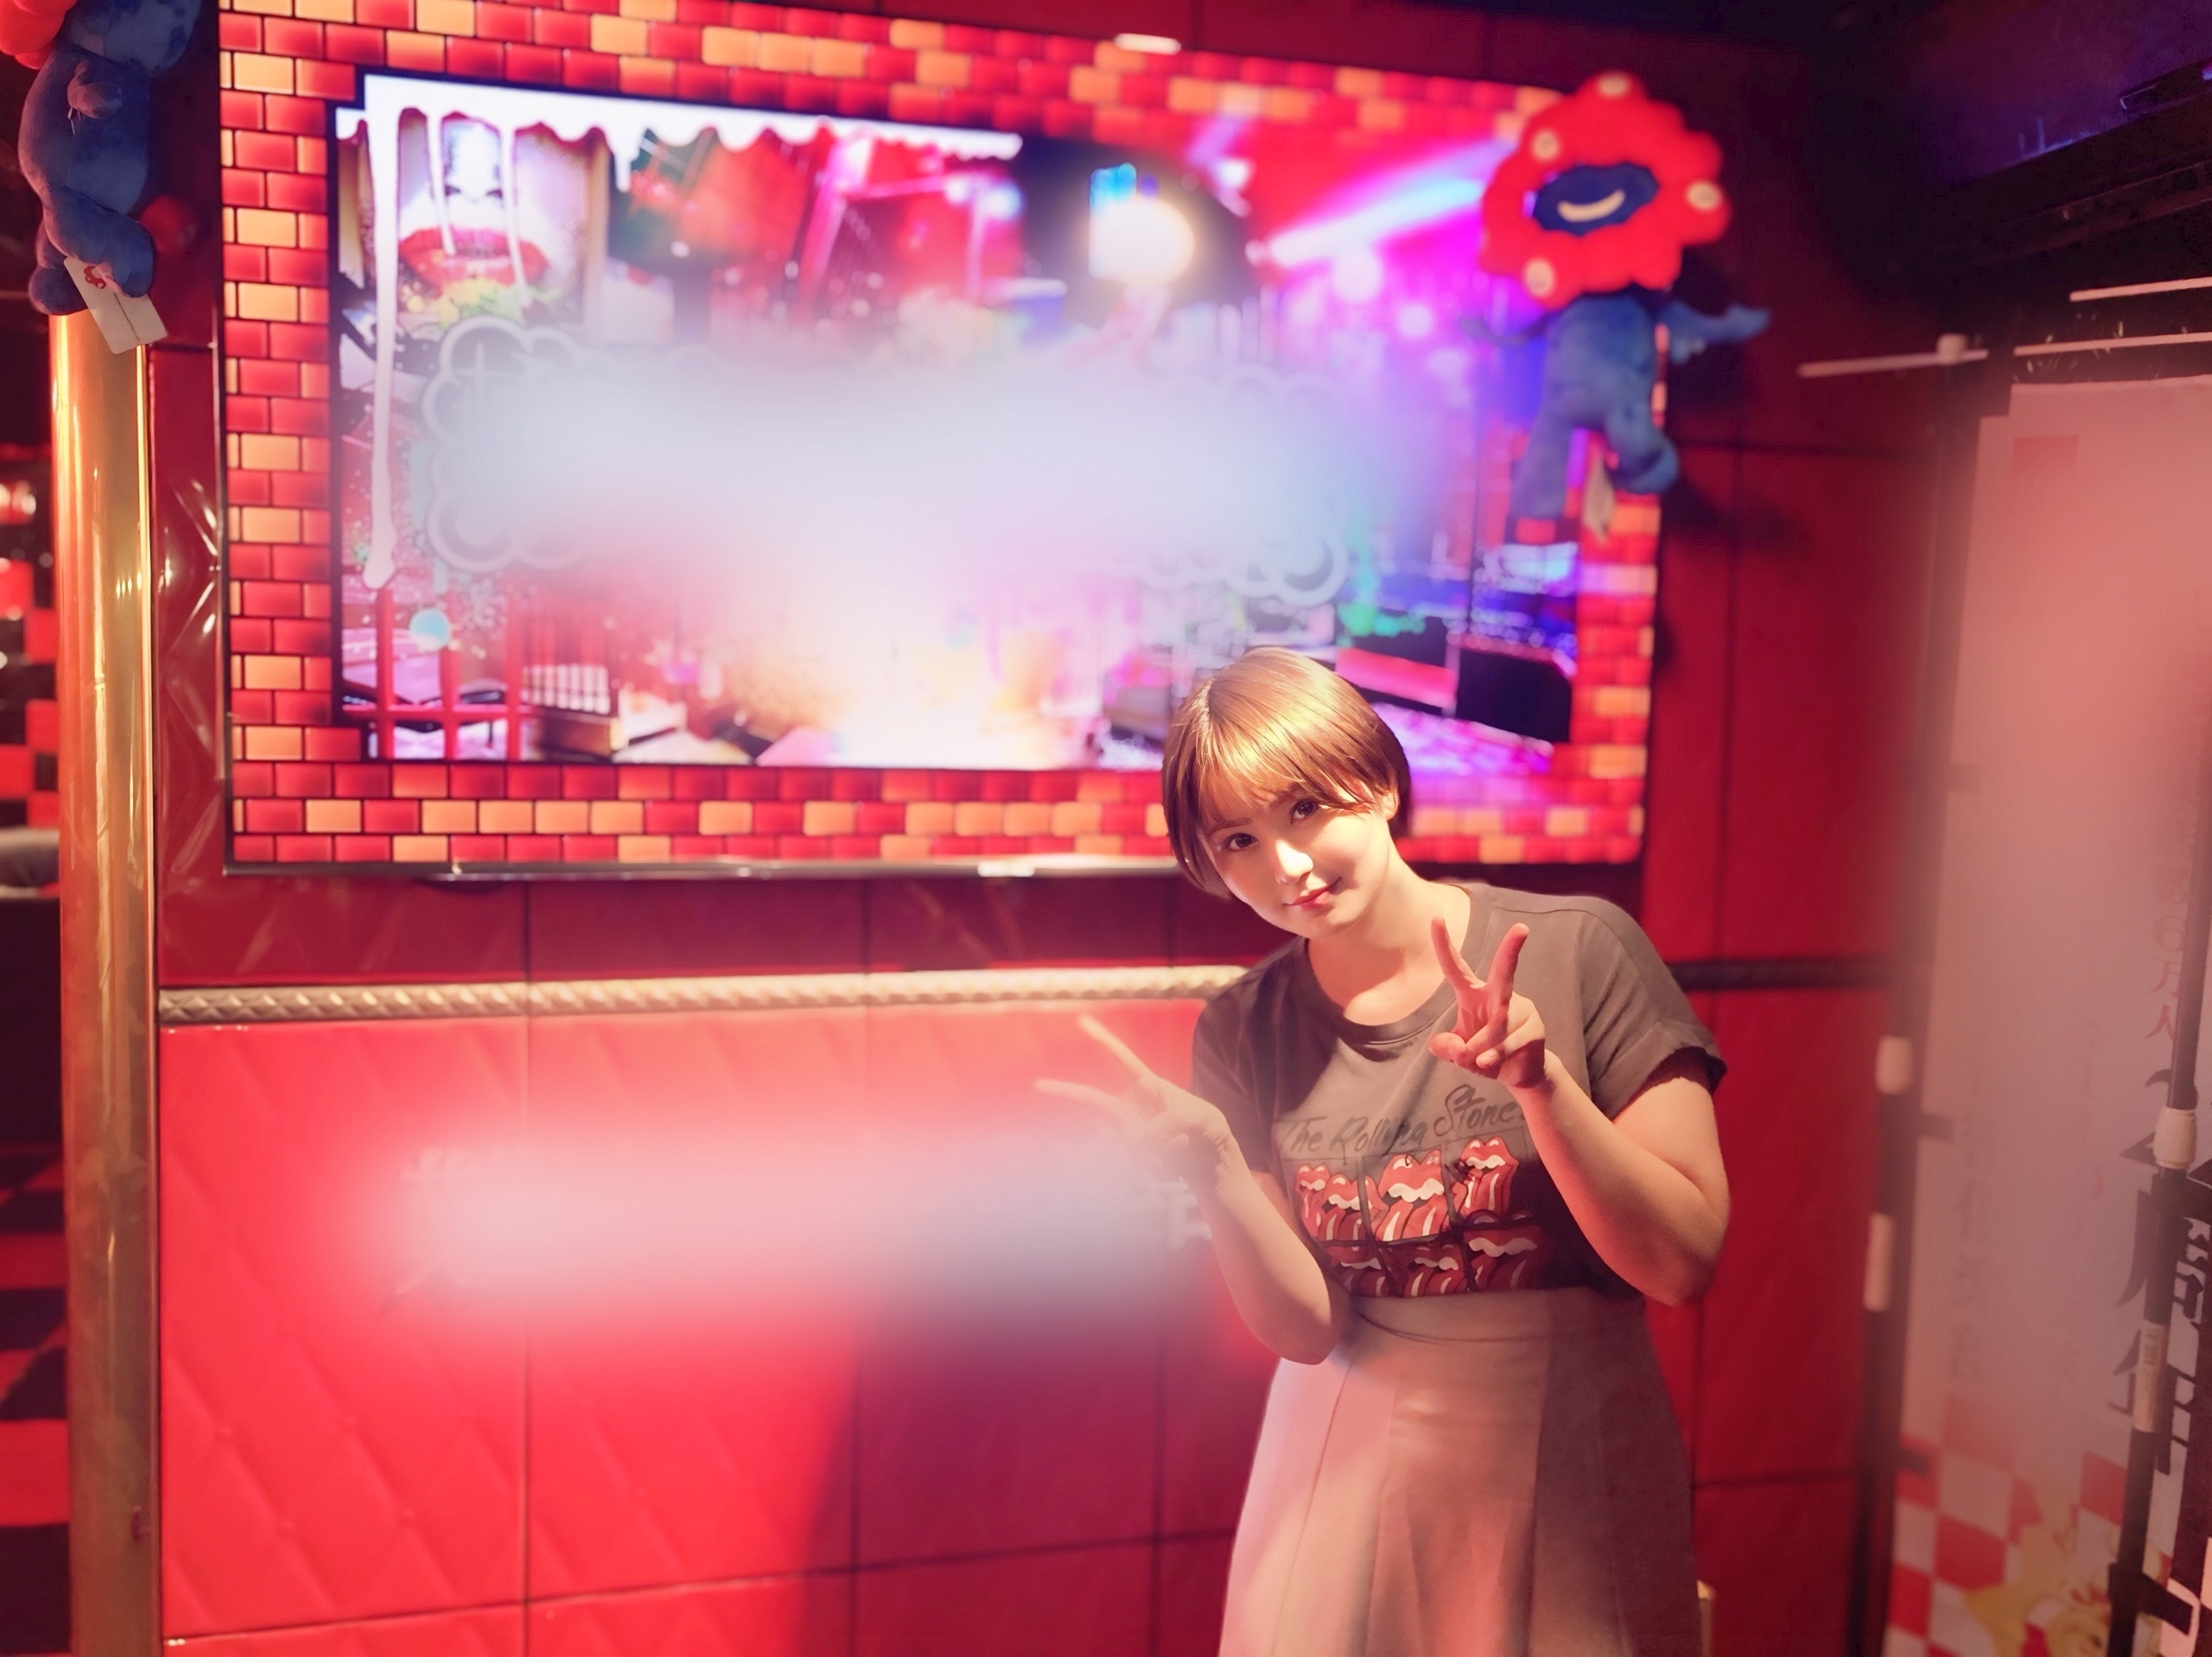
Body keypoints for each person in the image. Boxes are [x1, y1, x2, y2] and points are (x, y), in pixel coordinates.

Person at [1044, 647, 1728, 1656]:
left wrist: (1540, 1086)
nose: (1286, 864)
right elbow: (1305, 1328)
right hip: (1340, 1443)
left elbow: (1680, 1261)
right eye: (1238, 840)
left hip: (1572, 1435)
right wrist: (1215, 1170)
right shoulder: (1243, 1027)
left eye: (1304, 808)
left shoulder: (1580, 948)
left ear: (1375, 782)